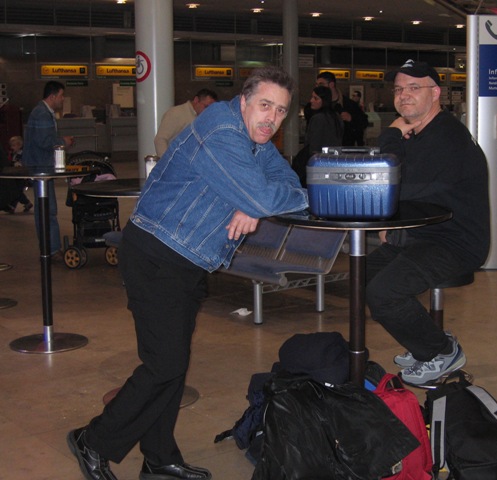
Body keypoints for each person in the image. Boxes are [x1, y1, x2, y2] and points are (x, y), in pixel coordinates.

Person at [67, 66, 308, 480]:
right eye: (265, 105)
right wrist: (258, 200)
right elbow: (270, 194)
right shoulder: (221, 131)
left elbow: (285, 181)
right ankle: (92, 440)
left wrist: (255, 203)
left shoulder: (255, 137)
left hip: (187, 260)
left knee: (173, 365)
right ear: (244, 101)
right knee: (163, 365)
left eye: (281, 110)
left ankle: (158, 458)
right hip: (156, 255)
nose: (271, 118)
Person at [365, 59, 490, 387]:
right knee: (364, 275)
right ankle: (427, 340)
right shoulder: (423, 134)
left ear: (436, 93)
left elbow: (392, 179)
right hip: (425, 234)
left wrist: (391, 133)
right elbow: (411, 188)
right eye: (398, 89)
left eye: (413, 87)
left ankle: (441, 351)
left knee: (383, 293)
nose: (403, 95)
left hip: (454, 243)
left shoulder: (446, 136)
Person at [22, 81, 74, 257]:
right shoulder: (42, 114)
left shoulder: (42, 112)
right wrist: (63, 142)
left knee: (45, 208)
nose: (63, 99)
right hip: (41, 167)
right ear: (52, 96)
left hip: (41, 166)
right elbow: (44, 141)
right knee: (47, 209)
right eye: (61, 95)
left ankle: (49, 247)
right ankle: (51, 249)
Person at [293, 85, 344, 186]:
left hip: (318, 165)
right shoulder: (336, 117)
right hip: (333, 162)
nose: (311, 100)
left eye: (316, 98)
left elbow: (314, 147)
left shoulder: (318, 118)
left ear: (323, 101)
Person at [304, 71, 368, 147]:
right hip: (321, 148)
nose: (318, 87)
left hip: (344, 148)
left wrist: (351, 118)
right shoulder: (314, 105)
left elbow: (363, 122)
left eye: (321, 84)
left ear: (331, 84)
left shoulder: (350, 105)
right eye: (316, 85)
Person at [154, 88, 218, 157]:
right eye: (206, 106)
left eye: (211, 109)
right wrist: (167, 161)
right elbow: (160, 139)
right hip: (177, 160)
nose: (208, 111)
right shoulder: (176, 113)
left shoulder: (204, 118)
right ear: (196, 100)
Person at [6, 135, 34, 213]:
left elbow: (24, 164)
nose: (12, 147)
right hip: (16, 175)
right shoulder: (13, 154)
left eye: (14, 146)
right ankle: (24, 203)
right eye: (11, 146)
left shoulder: (22, 155)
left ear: (19, 146)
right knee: (16, 191)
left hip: (22, 176)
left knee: (17, 192)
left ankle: (14, 205)